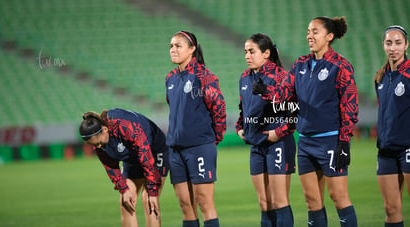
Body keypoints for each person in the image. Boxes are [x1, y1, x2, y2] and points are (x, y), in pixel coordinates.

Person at [253, 16, 359, 226]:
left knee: (338, 198)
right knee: (312, 202)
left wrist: (344, 141)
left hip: (330, 141)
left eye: (315, 31)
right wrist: (267, 92)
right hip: (306, 143)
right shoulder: (300, 63)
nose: (309, 35)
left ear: (329, 36)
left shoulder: (341, 66)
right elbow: (284, 93)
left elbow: (350, 107)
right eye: (309, 31)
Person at [165, 30, 226, 227]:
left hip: (199, 146)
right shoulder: (170, 78)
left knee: (204, 202)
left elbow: (218, 105)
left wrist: (213, 137)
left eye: (178, 46)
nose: (173, 50)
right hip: (175, 149)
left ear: (192, 49)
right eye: (171, 46)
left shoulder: (204, 75)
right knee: (185, 205)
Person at [236, 33, 297, 227]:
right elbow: (243, 108)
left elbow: (294, 111)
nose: (247, 55)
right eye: (246, 51)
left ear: (266, 53)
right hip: (256, 145)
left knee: (280, 202)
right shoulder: (244, 77)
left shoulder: (281, 76)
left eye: (252, 51)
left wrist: (278, 133)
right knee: (264, 203)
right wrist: (240, 127)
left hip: (277, 143)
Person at [79, 108, 168, 227]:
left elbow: (146, 158)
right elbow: (110, 166)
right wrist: (124, 189)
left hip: (154, 151)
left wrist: (152, 191)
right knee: (125, 201)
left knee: (149, 200)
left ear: (105, 129)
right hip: (132, 157)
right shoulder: (99, 145)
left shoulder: (125, 126)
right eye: (94, 145)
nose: (98, 146)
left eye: (99, 143)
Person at [374, 25, 410, 227]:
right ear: (383, 46)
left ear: (406, 45)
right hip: (386, 151)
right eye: (389, 43)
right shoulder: (380, 77)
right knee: (391, 209)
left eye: (398, 43)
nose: (393, 48)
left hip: (408, 148)